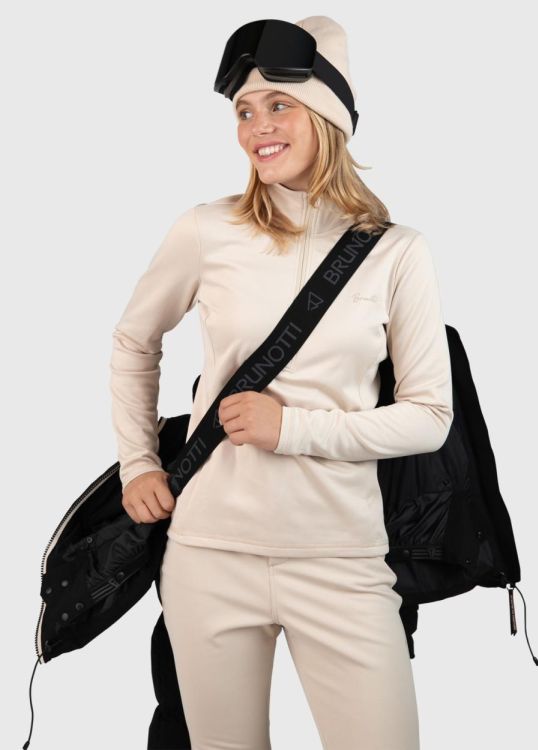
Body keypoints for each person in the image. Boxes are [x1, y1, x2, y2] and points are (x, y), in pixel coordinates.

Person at [109, 15, 453, 750]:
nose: (256, 127)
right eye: (243, 110)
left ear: (328, 116)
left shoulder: (396, 253)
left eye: (278, 105)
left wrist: (290, 428)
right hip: (209, 556)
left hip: (341, 561)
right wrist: (137, 463)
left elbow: (429, 417)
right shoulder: (206, 230)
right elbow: (134, 340)